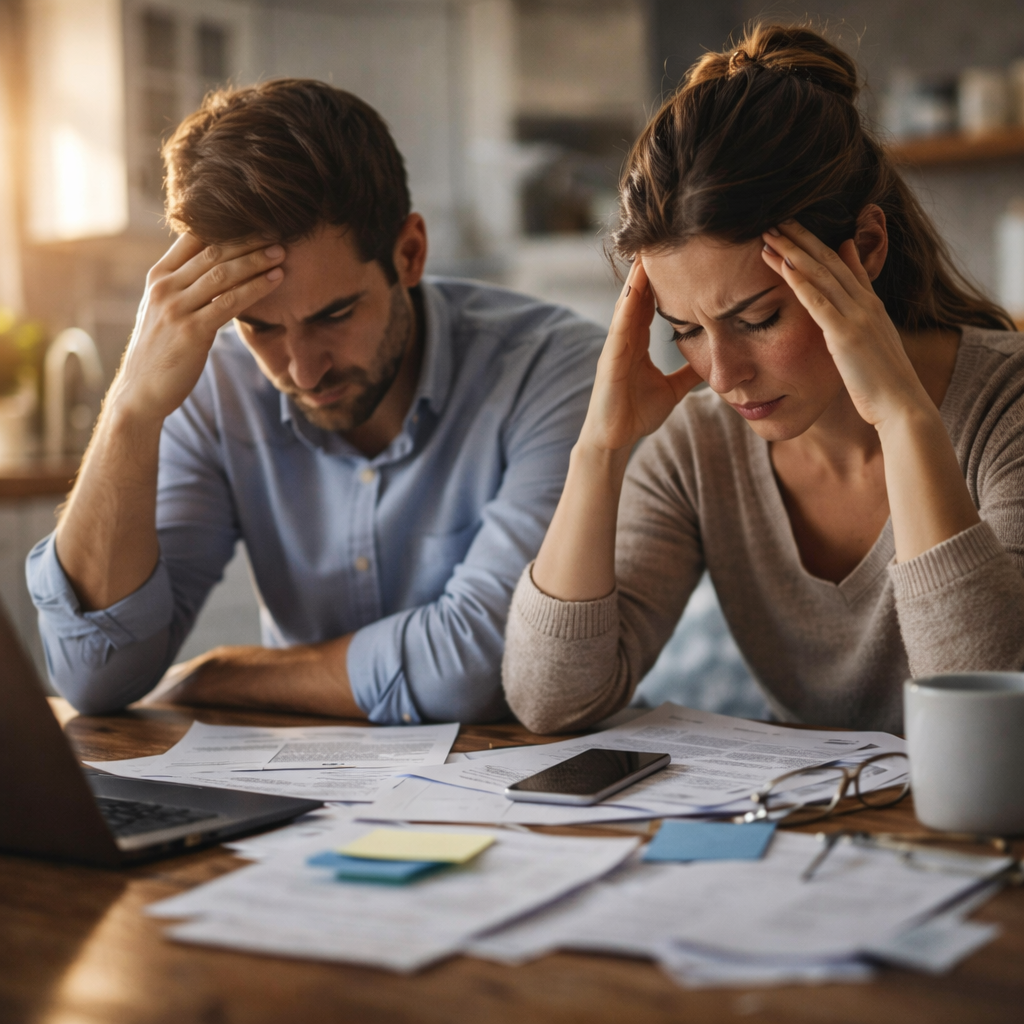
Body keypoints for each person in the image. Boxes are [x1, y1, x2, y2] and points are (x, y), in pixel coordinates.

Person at [502, 24, 1024, 735]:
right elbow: (550, 700)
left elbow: (988, 721)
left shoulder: (1008, 409)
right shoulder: (699, 446)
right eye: (685, 329)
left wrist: (904, 422)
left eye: (756, 318)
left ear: (865, 248)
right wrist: (599, 452)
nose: (723, 375)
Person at [28, 80, 603, 723]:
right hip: (296, 804)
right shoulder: (212, 385)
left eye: (334, 314)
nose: (301, 370)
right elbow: (94, 674)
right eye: (260, 326)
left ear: (409, 253)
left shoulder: (555, 369)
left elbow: (472, 668)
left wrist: (224, 673)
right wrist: (131, 410)